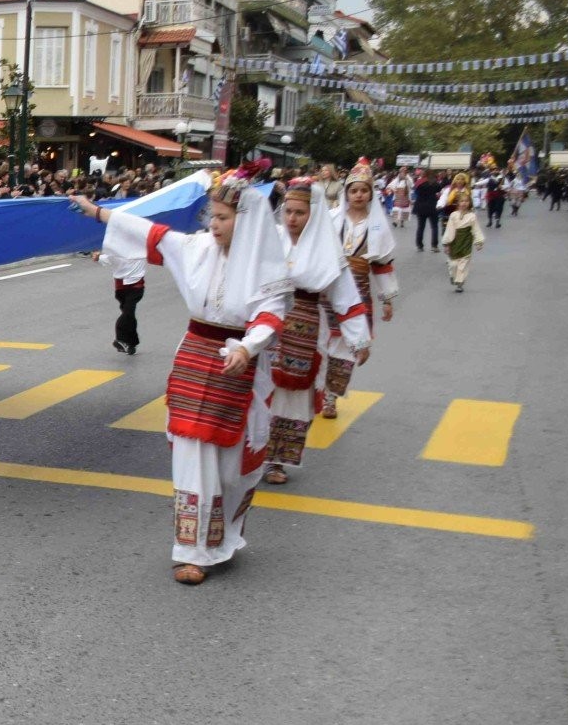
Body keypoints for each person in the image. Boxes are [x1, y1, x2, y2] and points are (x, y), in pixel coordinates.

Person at [73, 176, 292, 585]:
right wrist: (98, 212)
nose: (215, 224)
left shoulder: (266, 265)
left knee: (231, 469)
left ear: (245, 221)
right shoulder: (197, 248)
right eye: (213, 216)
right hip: (194, 358)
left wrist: (248, 347)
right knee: (191, 456)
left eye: (224, 218)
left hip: (237, 365)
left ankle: (223, 535)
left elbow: (270, 314)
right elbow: (153, 234)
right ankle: (192, 550)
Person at [261, 178, 370, 486]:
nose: (292, 219)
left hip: (306, 331)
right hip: (267, 326)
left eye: (300, 213)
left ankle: (277, 459)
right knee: (261, 391)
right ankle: (254, 453)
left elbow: (346, 299)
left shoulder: (326, 252)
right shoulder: (272, 241)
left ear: (314, 215)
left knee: (295, 398)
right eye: (288, 212)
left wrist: (359, 340)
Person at [321, 165, 398, 417]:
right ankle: (316, 391)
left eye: (364, 190)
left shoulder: (378, 226)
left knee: (345, 345)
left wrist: (387, 299)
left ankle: (330, 398)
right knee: (324, 341)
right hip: (329, 289)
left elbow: (383, 264)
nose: (358, 195)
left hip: (359, 291)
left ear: (371, 194)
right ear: (346, 193)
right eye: (353, 190)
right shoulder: (332, 219)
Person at [441, 174, 486, 292]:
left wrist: (479, 242)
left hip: (466, 242)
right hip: (455, 242)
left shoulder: (472, 216)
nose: (464, 203)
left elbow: (476, 230)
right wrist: (446, 244)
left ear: (469, 203)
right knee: (453, 265)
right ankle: (453, 276)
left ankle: (460, 283)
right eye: (462, 201)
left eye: (466, 201)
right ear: (458, 203)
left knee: (463, 264)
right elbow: (449, 230)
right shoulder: (453, 215)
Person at [410, 169, 443, 251]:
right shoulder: (435, 183)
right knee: (434, 227)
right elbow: (439, 190)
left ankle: (419, 245)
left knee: (421, 227)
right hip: (432, 206)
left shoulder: (419, 182)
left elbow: (415, 190)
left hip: (421, 206)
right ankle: (434, 246)